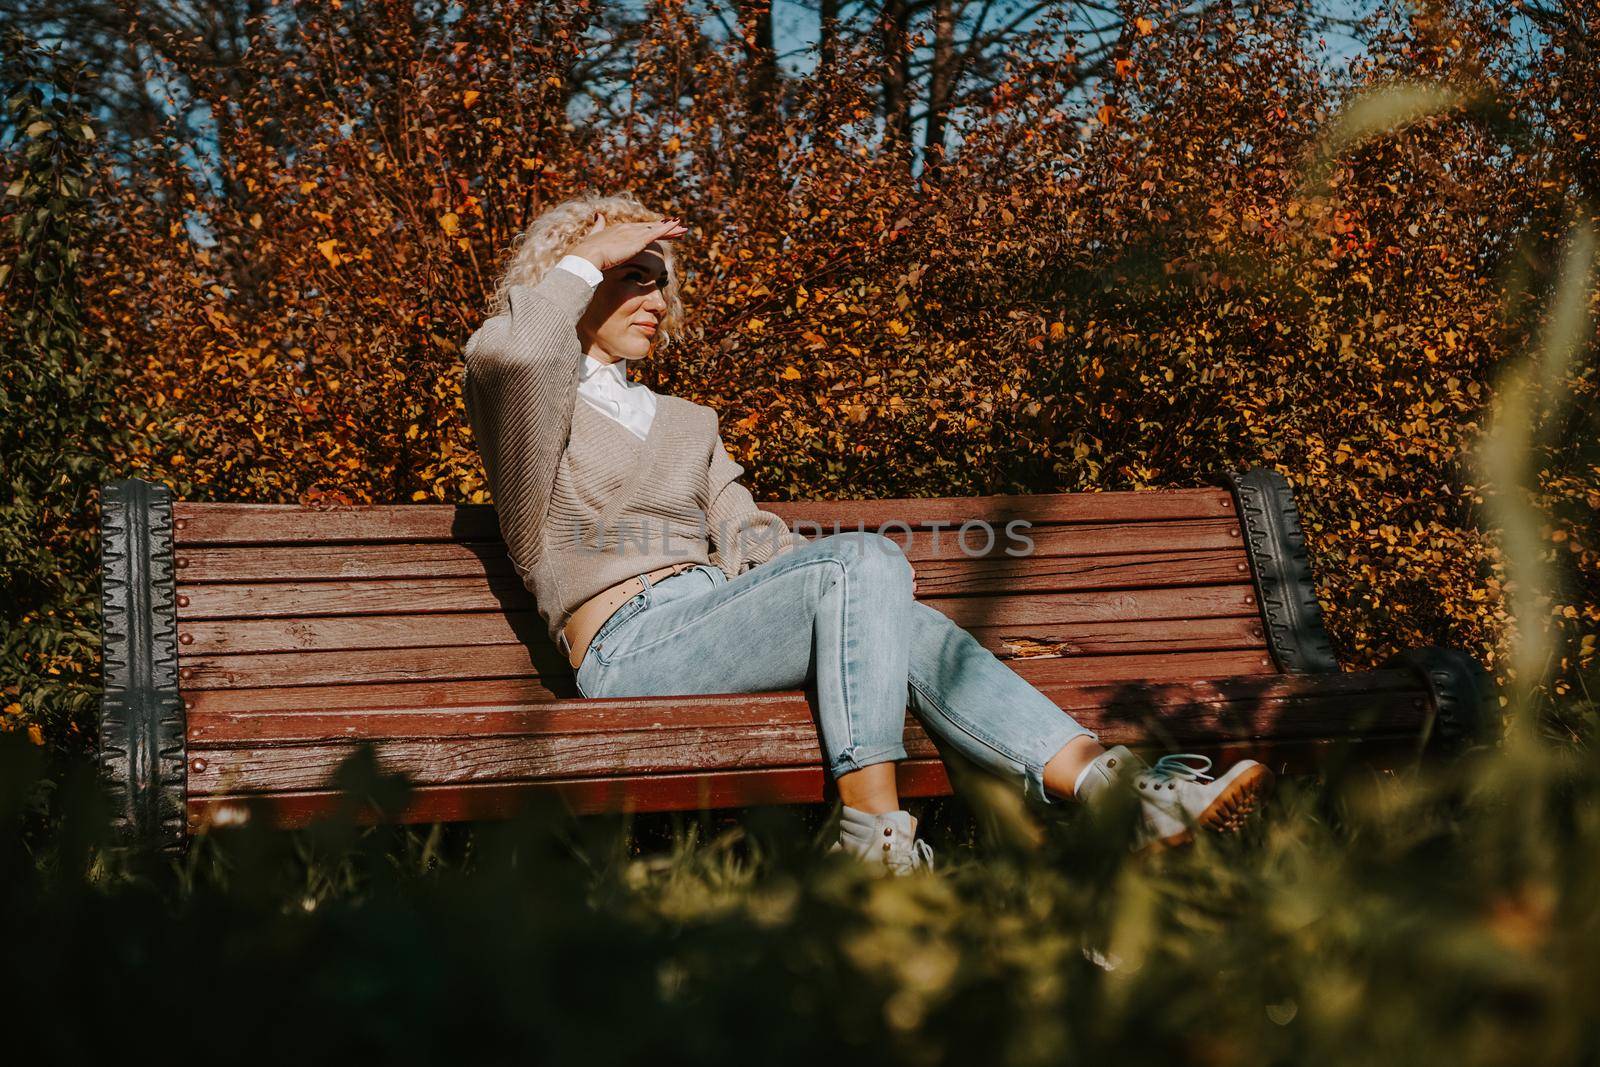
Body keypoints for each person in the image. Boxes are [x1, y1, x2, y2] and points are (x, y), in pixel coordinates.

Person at [461, 193, 1274, 875]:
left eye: (661, 285)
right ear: (583, 282)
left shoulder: (687, 421)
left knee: (881, 589)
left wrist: (854, 590)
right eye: (632, 278)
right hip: (626, 650)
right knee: (863, 561)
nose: (656, 300)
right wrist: (590, 250)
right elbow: (519, 354)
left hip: (723, 618)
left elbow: (750, 537)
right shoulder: (536, 410)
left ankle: (1113, 795)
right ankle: (879, 831)